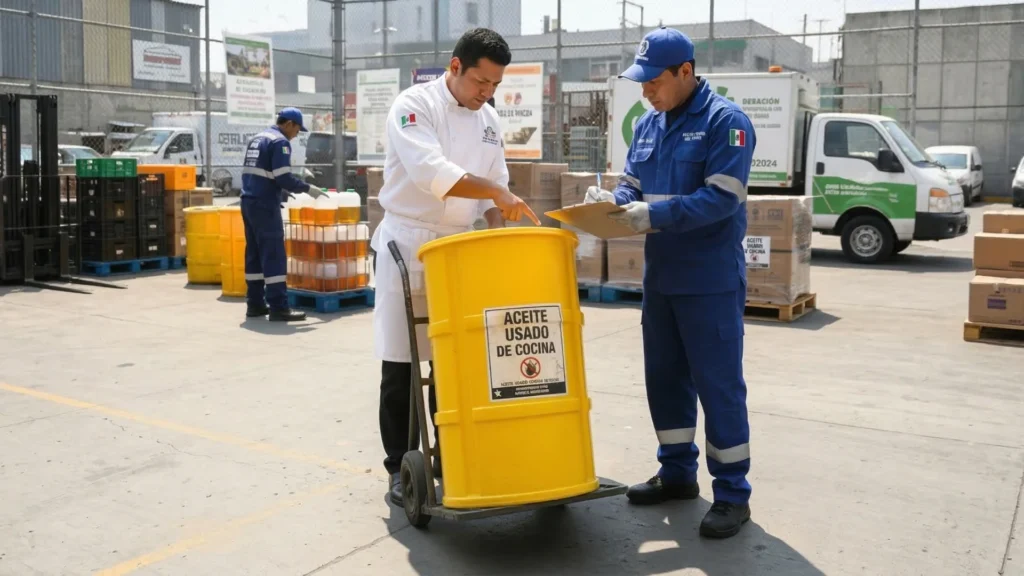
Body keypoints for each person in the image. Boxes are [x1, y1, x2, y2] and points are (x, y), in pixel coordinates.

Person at [586, 26, 756, 539]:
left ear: (686, 71)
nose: (646, 91)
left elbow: (722, 198)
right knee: (664, 379)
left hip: (709, 280)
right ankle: (677, 472)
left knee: (718, 386)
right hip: (661, 278)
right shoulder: (648, 124)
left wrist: (653, 216)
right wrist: (612, 203)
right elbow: (631, 184)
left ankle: (732, 494)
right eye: (641, 83)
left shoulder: (726, 122)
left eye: (654, 81)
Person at [373, 28, 540, 506]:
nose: (487, 92)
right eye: (480, 82)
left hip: (458, 247)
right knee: (402, 364)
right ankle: (399, 466)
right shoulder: (414, 105)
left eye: (495, 85)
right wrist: (495, 193)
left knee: (452, 363)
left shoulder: (488, 119)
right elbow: (431, 173)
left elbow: (496, 185)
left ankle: (449, 455)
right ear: (454, 67)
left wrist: (496, 228)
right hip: (409, 242)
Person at [240, 107, 327, 322]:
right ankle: (279, 307)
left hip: (248, 201)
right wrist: (307, 188)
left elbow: (262, 173)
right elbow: (283, 178)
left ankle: (255, 304)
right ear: (289, 124)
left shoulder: (257, 138)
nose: (296, 135)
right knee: (274, 254)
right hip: (264, 205)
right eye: (297, 130)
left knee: (254, 253)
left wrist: (281, 190)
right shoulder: (280, 142)